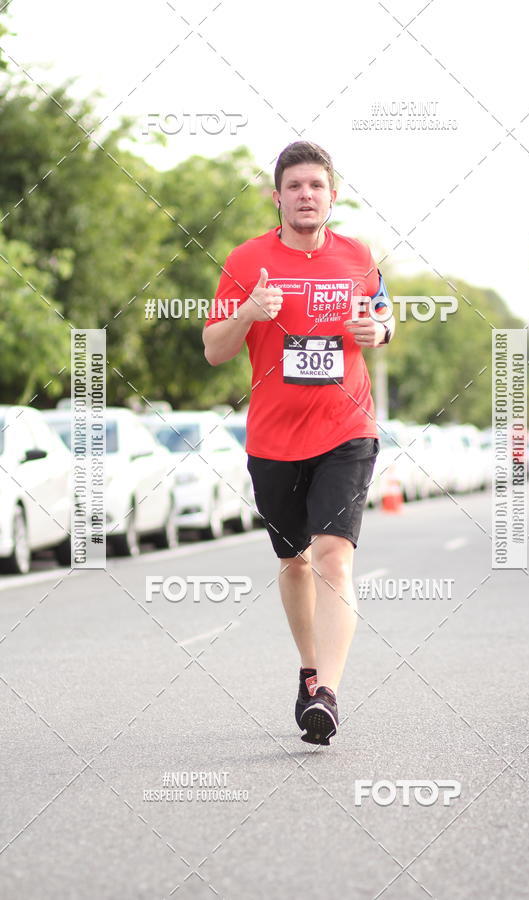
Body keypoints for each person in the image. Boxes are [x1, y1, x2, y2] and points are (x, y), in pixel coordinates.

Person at [203, 141, 394, 745]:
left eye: (317, 186)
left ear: (332, 196)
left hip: (346, 430)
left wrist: (380, 329)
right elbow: (215, 350)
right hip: (274, 438)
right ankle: (309, 671)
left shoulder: (358, 257)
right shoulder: (245, 260)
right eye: (295, 187)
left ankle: (329, 694)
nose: (306, 195)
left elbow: (384, 316)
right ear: (278, 196)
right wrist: (250, 312)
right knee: (293, 562)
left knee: (333, 554)